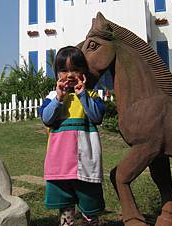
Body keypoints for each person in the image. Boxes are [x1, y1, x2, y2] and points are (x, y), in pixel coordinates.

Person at [38, 46, 106, 226]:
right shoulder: (53, 97)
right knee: (66, 211)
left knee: (90, 210)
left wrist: (83, 94)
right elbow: (46, 119)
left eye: (75, 69)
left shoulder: (90, 96)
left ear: (84, 71)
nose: (69, 75)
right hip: (61, 165)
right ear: (57, 74)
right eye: (64, 70)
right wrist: (59, 98)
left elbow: (96, 117)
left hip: (86, 164)